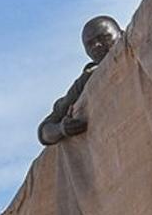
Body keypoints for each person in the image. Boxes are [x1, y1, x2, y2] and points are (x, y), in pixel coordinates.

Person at [38, 15, 123, 146]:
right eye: (90, 44)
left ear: (121, 34)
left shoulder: (143, 42)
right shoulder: (87, 79)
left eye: (103, 37)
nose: (96, 46)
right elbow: (45, 131)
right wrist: (62, 129)